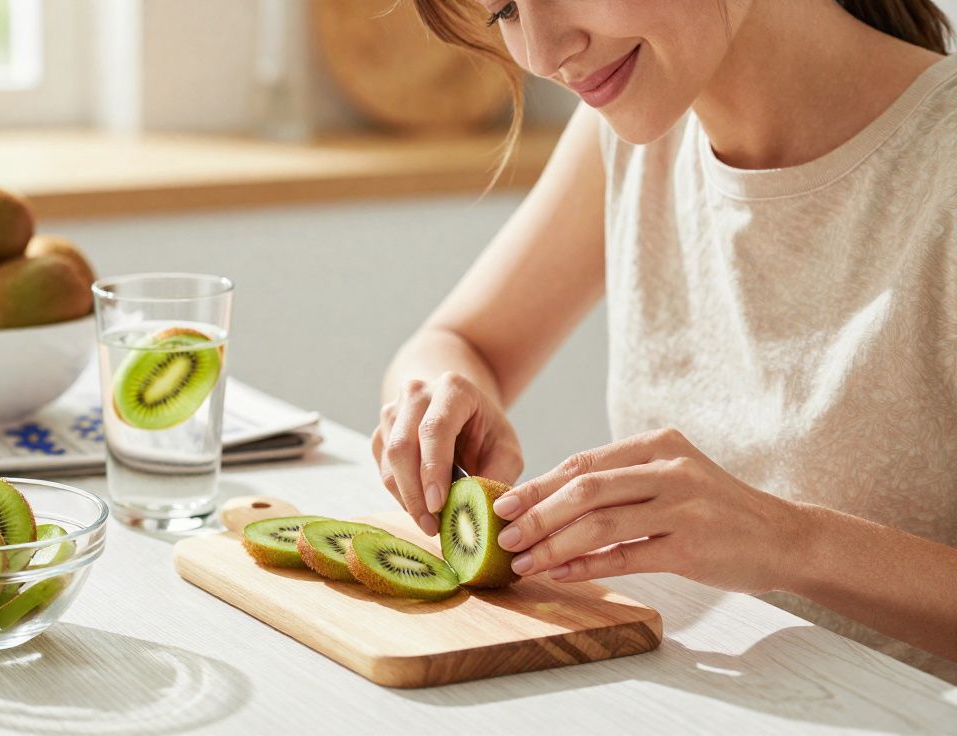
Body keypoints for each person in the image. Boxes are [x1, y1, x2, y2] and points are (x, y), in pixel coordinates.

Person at [374, 0, 957, 682]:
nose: (538, 54)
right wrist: (443, 402)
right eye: (503, 9)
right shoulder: (632, 130)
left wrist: (789, 542)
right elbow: (455, 342)